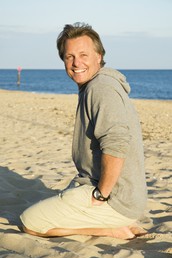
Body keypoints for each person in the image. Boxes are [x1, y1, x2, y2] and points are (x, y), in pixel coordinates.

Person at [20, 22, 147, 239]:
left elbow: (116, 144)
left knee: (30, 223)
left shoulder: (101, 88)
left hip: (115, 199)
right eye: (69, 56)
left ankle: (113, 230)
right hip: (123, 195)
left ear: (99, 56)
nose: (76, 62)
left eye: (83, 54)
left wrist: (100, 194)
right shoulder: (96, 85)